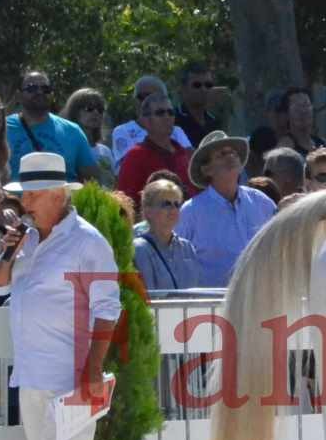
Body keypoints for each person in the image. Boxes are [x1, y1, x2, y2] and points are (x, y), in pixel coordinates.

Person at [0, 151, 131, 440]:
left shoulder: (88, 242)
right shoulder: (26, 239)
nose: (23, 203)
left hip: (71, 369)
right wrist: (10, 251)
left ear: (56, 194)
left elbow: (108, 309)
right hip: (31, 368)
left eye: (31, 195)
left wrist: (91, 371)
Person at [175, 131, 277, 287]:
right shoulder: (191, 212)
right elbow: (177, 261)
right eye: (221, 154)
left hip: (259, 301)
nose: (230, 156)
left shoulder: (262, 202)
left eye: (233, 152)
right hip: (212, 307)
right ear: (207, 170)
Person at [4, 70, 100, 183]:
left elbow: (91, 180)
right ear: (18, 96)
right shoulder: (2, 128)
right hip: (16, 199)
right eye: (32, 88)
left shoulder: (73, 131)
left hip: (63, 199)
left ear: (52, 94)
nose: (40, 92)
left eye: (46, 89)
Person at [116, 92, 194, 202]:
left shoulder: (183, 154)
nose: (167, 117)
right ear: (145, 120)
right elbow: (126, 203)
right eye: (160, 113)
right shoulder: (135, 157)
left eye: (171, 112)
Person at [133, 174, 202, 293]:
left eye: (176, 204)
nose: (173, 210)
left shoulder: (187, 248)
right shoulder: (138, 249)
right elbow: (147, 297)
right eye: (166, 204)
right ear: (148, 211)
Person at [110, 75, 192, 165]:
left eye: (151, 97)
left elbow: (191, 162)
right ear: (134, 101)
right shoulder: (122, 131)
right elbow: (129, 164)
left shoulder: (177, 131)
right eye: (141, 97)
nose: (145, 102)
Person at [62, 88, 115, 187]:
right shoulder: (68, 149)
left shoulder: (105, 151)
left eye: (100, 109)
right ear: (75, 112)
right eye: (89, 108)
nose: (96, 113)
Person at [175, 62, 220, 147]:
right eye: (197, 85)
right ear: (183, 88)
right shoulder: (172, 120)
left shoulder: (213, 121)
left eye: (208, 85)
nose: (204, 89)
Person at [276, 87, 326, 154]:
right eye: (297, 107)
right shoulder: (285, 148)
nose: (303, 111)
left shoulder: (322, 144)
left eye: (306, 105)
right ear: (287, 114)